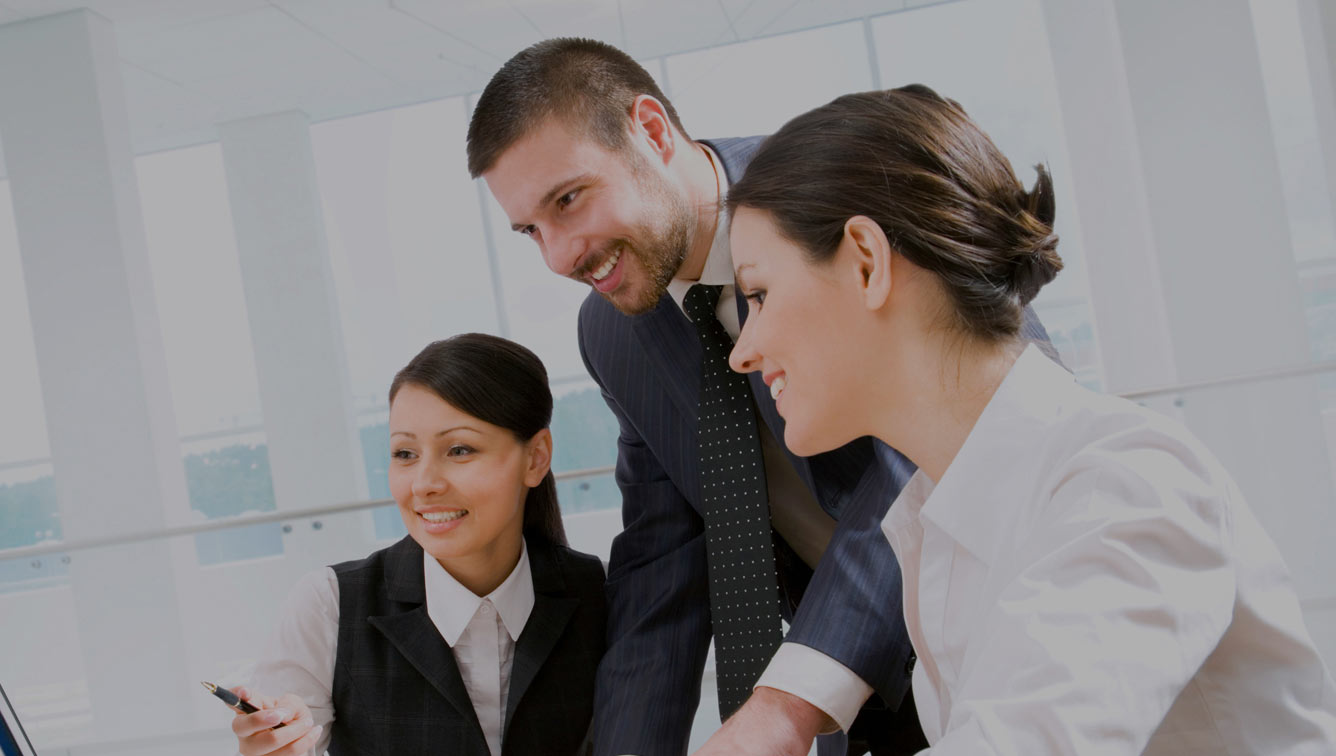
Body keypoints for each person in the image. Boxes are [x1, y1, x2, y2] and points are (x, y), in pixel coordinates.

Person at [468, 38, 1055, 756]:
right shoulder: (614, 332)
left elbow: (945, 428)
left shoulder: (842, 185)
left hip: (1004, 628)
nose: (559, 255)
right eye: (531, 230)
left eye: (569, 199)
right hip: (861, 703)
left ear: (651, 132)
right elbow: (664, 561)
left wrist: (786, 706)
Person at [724, 83, 1336, 754]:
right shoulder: (934, 521)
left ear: (867, 263)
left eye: (759, 294)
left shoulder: (1122, 485)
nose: (743, 353)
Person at [226, 333, 606, 756]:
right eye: (405, 454)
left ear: (535, 458)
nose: (424, 485)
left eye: (459, 449)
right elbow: (286, 735)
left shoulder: (598, 593)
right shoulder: (330, 603)